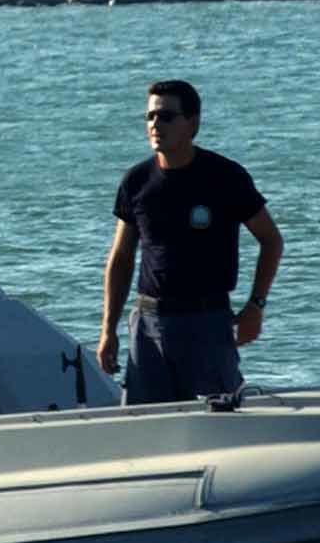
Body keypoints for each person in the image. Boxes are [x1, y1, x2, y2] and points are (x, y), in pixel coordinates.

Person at [95, 78, 284, 406]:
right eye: (151, 117)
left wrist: (256, 306)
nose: (156, 124)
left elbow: (271, 241)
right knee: (145, 427)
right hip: (148, 323)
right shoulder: (136, 181)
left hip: (206, 322)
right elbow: (122, 258)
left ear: (192, 123)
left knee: (220, 422)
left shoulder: (225, 177)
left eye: (167, 116)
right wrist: (108, 329)